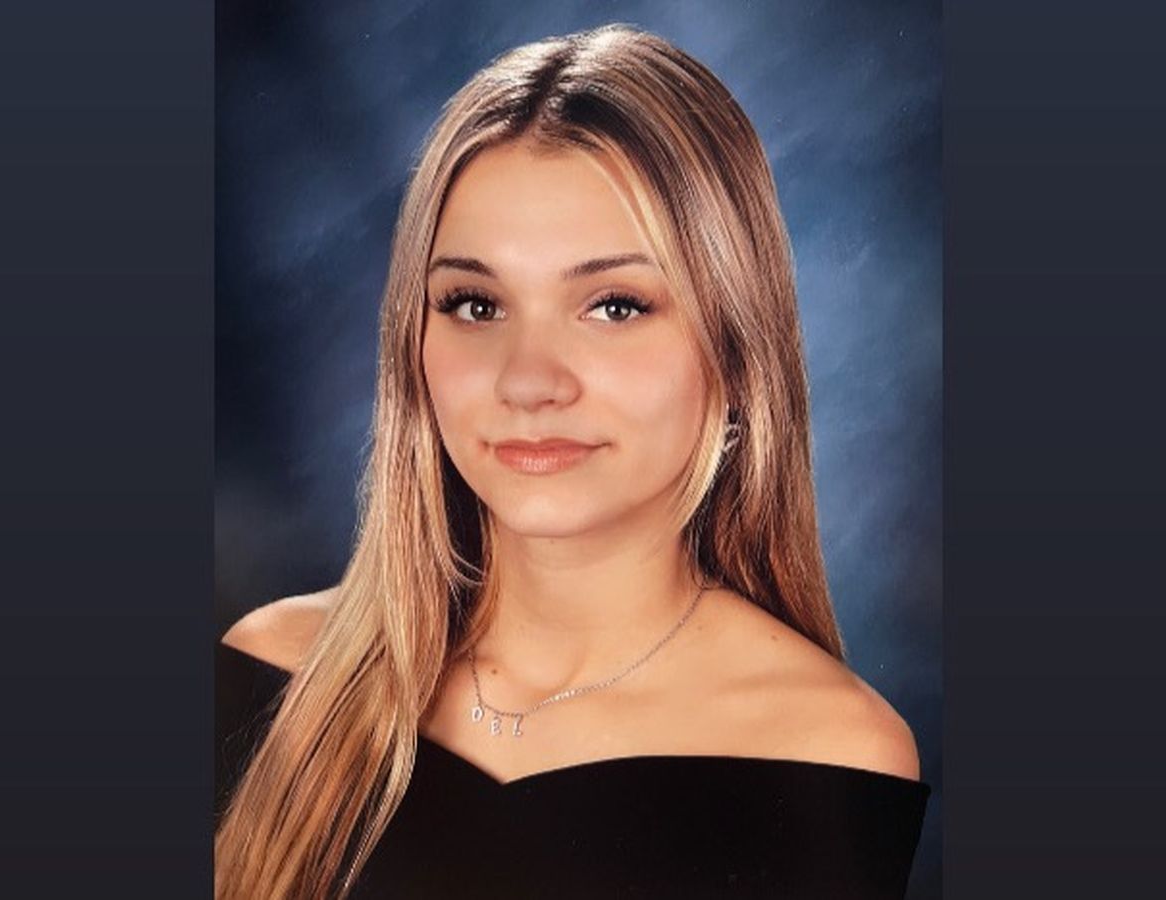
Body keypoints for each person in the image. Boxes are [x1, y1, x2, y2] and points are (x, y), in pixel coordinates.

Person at [216, 23, 931, 900]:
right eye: (475, 304)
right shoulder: (276, 675)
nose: (529, 381)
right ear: (411, 341)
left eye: (614, 306)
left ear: (735, 346)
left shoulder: (824, 756)